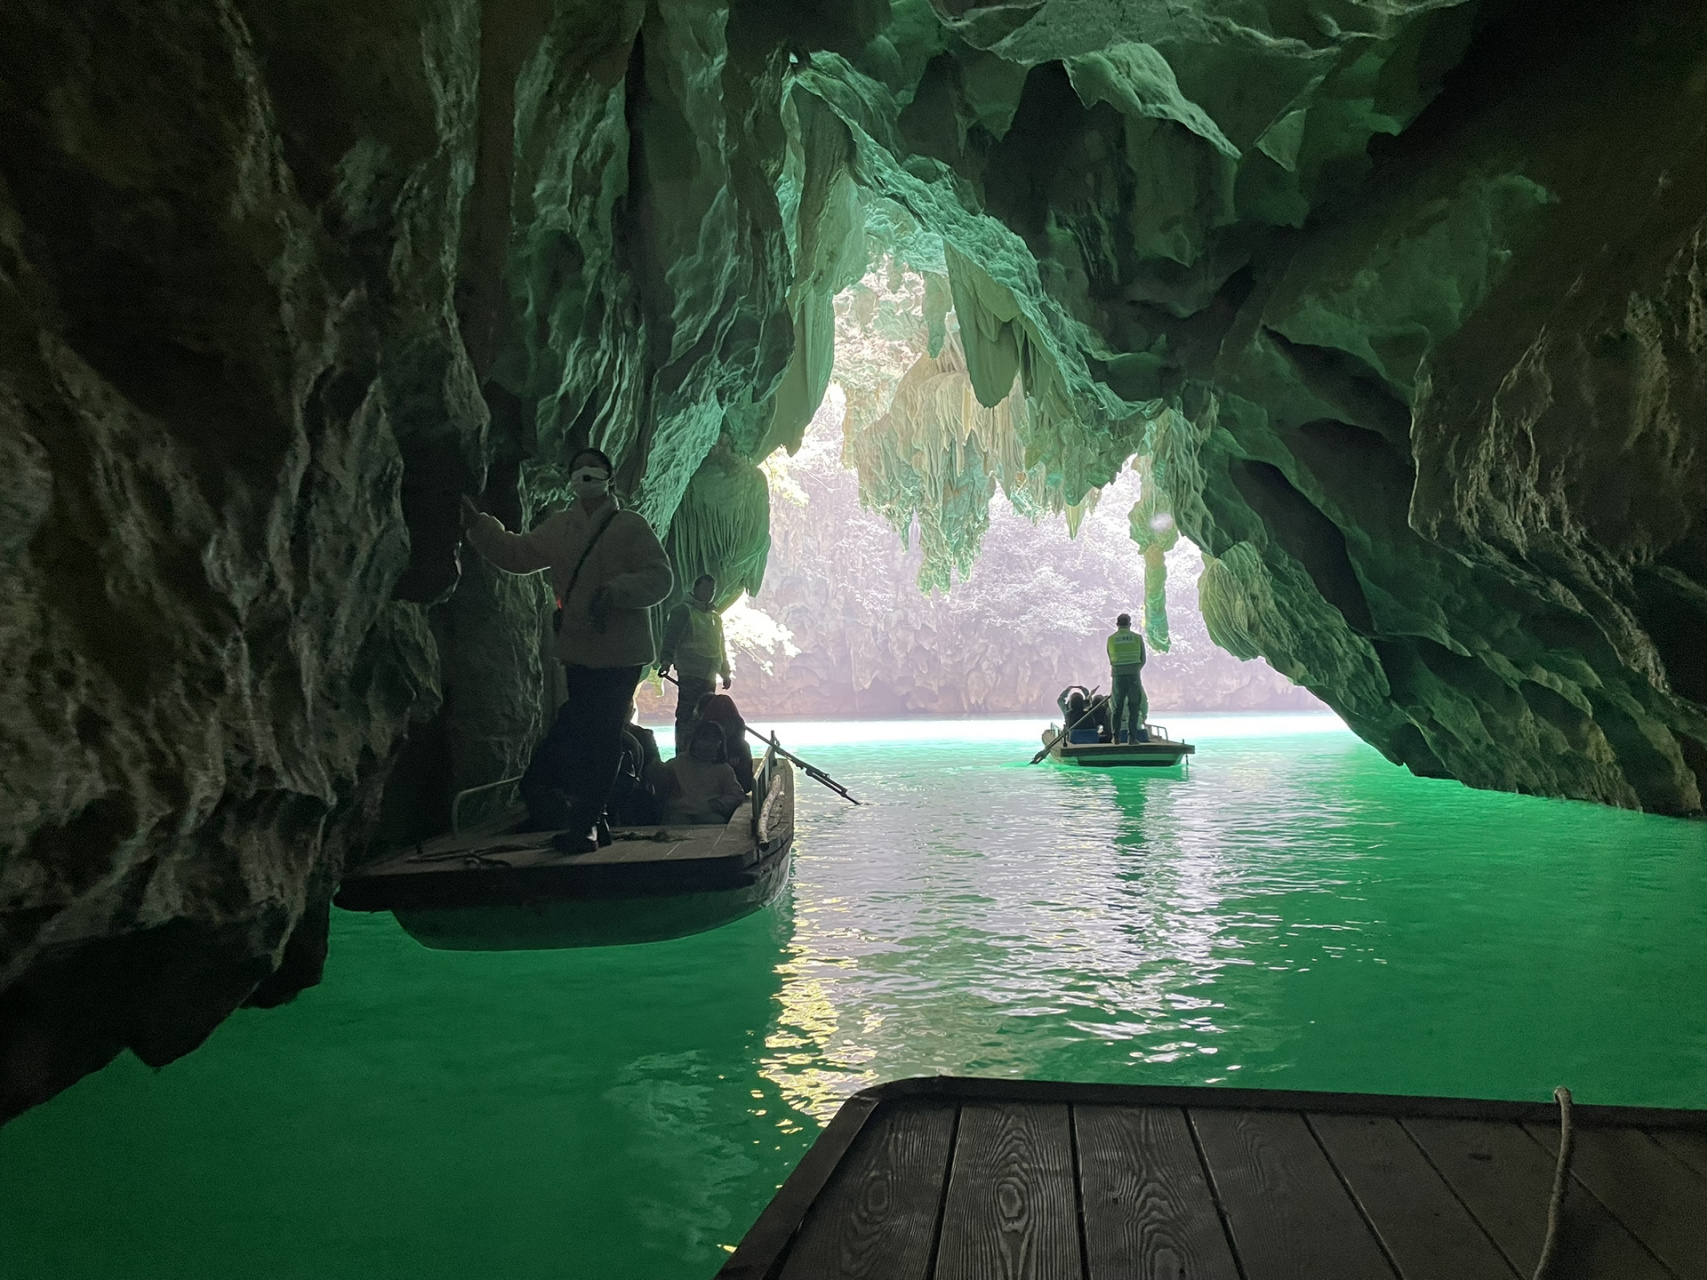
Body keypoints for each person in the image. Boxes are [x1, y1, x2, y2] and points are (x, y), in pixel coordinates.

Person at [460, 447, 673, 850]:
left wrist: (617, 591)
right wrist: (478, 527)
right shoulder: (561, 527)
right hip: (579, 649)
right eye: (577, 469)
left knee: (604, 732)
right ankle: (597, 820)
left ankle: (587, 824)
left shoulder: (630, 526)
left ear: (609, 477)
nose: (585, 474)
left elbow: (661, 578)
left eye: (592, 468)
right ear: (570, 480)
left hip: (623, 652)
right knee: (584, 731)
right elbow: (517, 554)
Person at [658, 572, 732, 752]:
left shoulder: (715, 617)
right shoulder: (682, 611)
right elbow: (671, 638)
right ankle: (683, 755)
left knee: (706, 716)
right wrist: (666, 660)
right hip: (690, 673)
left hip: (709, 675)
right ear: (695, 589)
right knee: (687, 716)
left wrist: (725, 672)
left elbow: (720, 646)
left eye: (712, 590)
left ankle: (701, 754)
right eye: (706, 589)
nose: (709, 593)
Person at [659, 720, 747, 826]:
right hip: (680, 813)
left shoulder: (723, 769)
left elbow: (737, 794)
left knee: (714, 821)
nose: (709, 744)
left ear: (720, 744)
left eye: (715, 741)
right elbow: (658, 779)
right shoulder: (676, 764)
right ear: (695, 740)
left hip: (709, 814)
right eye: (705, 739)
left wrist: (717, 804)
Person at [693, 691, 755, 793]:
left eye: (729, 722)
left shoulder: (740, 747)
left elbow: (746, 786)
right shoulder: (700, 745)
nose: (724, 728)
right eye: (721, 722)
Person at [1106, 612, 1149, 743]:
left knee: (1117, 707)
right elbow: (1143, 659)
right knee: (1134, 706)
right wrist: (1135, 669)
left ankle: (1116, 738)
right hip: (1134, 675)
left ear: (1117, 624)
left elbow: (1111, 659)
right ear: (1130, 624)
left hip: (1118, 676)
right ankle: (1132, 738)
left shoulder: (1111, 639)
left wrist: (1119, 669)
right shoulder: (1137, 638)